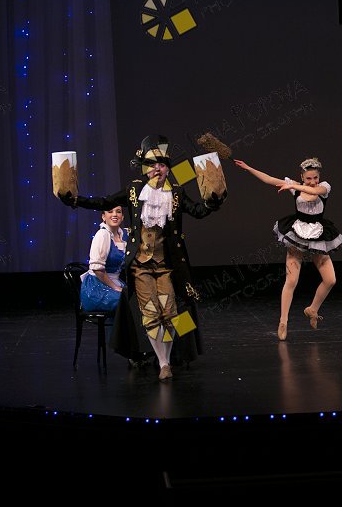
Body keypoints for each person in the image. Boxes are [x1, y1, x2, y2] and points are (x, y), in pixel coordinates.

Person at [59, 134, 224, 380]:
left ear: (168, 169)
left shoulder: (176, 193)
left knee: (171, 312)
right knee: (149, 313)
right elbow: (104, 201)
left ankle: (174, 356)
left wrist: (212, 203)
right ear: (145, 169)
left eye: (162, 164)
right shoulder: (135, 190)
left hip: (167, 266)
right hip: (140, 267)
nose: (157, 169)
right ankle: (163, 362)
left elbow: (198, 211)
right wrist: (75, 200)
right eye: (152, 165)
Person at [234, 157, 342, 341]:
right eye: (308, 178)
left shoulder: (324, 187)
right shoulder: (295, 186)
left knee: (330, 279)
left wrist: (294, 185)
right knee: (291, 280)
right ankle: (283, 321)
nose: (312, 181)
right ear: (302, 177)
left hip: (318, 236)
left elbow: (314, 191)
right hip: (297, 236)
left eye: (315, 177)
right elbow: (269, 179)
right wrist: (248, 168)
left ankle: (312, 309)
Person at [80, 205, 127, 318]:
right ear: (103, 217)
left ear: (122, 217)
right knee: (127, 301)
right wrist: (115, 288)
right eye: (110, 211)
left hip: (114, 282)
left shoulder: (123, 235)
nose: (114, 214)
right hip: (96, 288)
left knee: (140, 298)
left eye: (118, 212)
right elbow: (97, 269)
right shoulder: (102, 235)